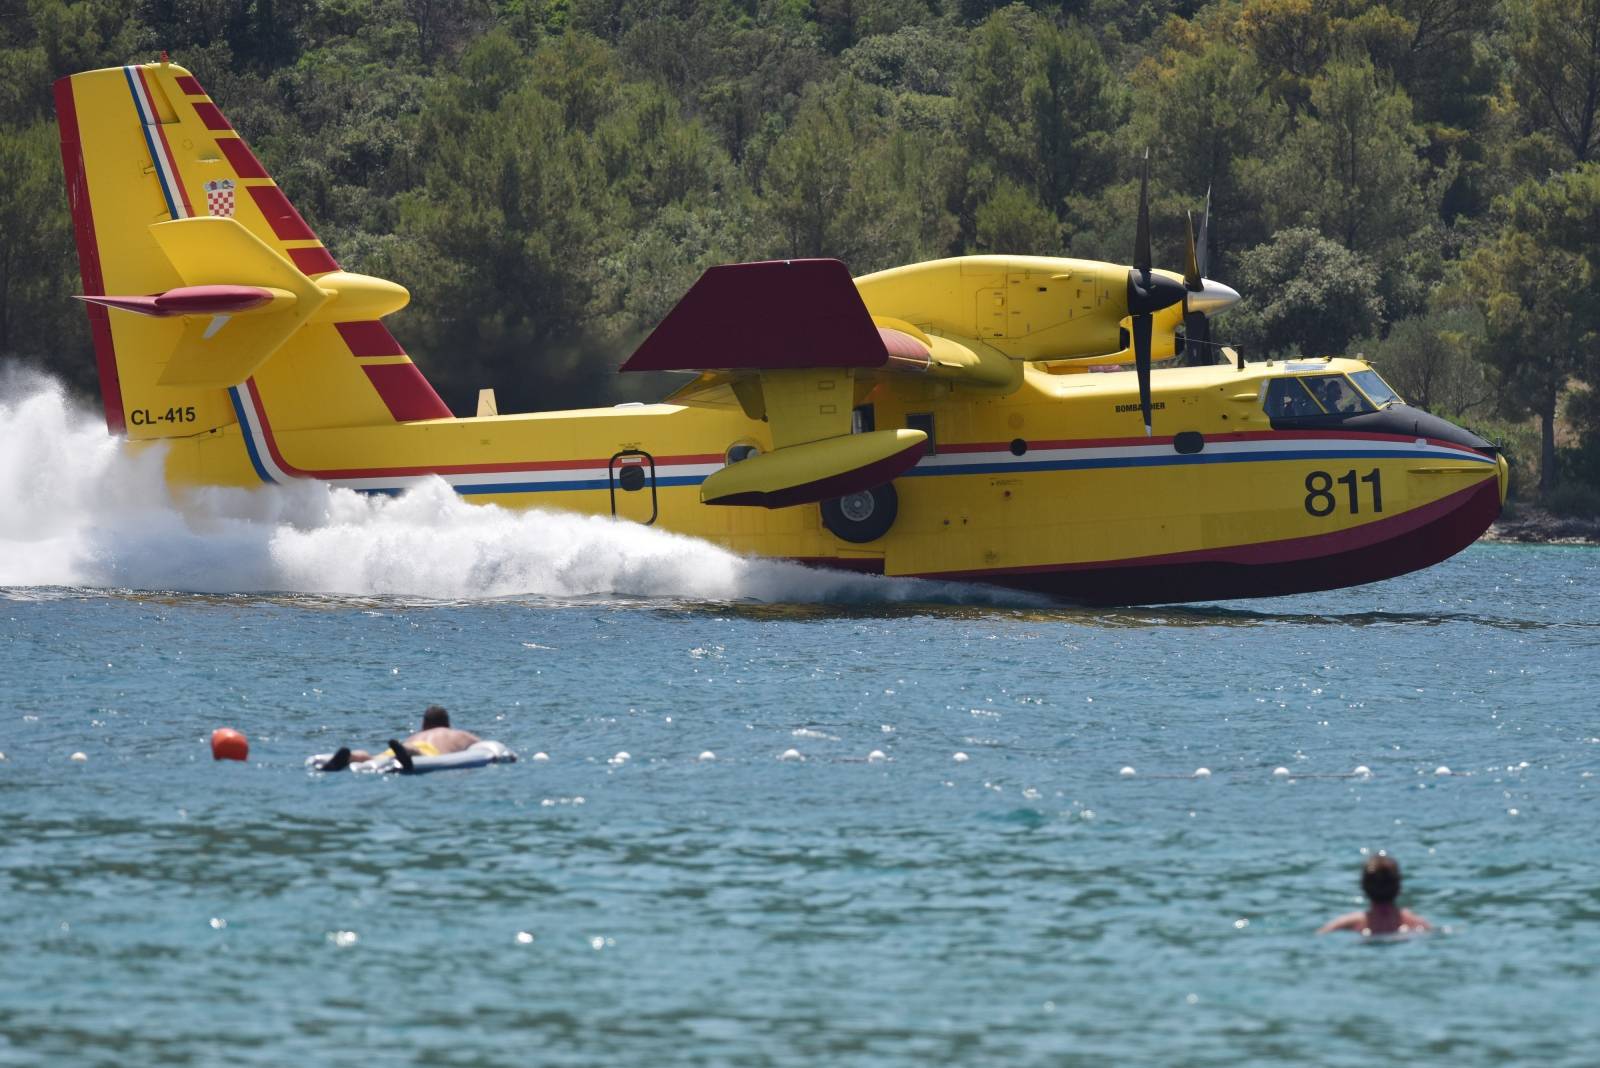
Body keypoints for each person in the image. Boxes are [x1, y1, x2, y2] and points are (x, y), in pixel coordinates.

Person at [316, 705, 481, 771]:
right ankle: (406, 752)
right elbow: (483, 747)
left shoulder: (416, 735)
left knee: (372, 757)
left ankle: (351, 756)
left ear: (424, 723)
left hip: (400, 747)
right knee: (417, 752)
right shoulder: (457, 734)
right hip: (417, 752)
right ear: (447, 723)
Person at [1318, 853, 1432, 935]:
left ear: (1363, 888)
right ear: (1399, 888)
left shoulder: (1349, 923)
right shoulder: (1416, 923)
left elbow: (1320, 935)